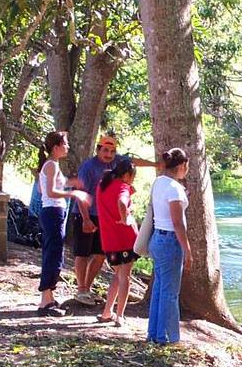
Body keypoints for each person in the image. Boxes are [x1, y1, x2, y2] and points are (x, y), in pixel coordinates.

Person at [71, 135, 155, 306]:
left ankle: (87, 288)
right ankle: (81, 290)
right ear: (98, 150)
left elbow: (133, 161)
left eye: (112, 151)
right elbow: (80, 195)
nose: (109, 154)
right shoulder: (88, 167)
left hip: (103, 218)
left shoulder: (117, 162)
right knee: (82, 253)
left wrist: (156, 165)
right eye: (105, 150)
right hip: (84, 214)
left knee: (100, 254)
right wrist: (86, 219)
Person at [37, 131, 90, 317]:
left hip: (53, 212)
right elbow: (50, 192)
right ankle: (45, 301)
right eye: (65, 144)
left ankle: (49, 297)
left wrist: (69, 183)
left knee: (55, 252)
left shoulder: (51, 165)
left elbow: (42, 187)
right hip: (52, 212)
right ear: (56, 147)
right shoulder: (50, 165)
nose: (67, 147)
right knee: (52, 253)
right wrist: (73, 194)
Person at [147, 148, 191, 344]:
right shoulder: (174, 188)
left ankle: (154, 334)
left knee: (159, 288)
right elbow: (177, 222)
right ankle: (169, 337)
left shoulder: (159, 182)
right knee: (170, 292)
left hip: (157, 238)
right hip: (170, 241)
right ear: (182, 166)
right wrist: (187, 249)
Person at [95, 159, 139, 327]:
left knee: (118, 274)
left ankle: (107, 312)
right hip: (124, 238)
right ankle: (120, 315)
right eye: (132, 177)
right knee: (125, 276)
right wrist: (125, 218)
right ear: (127, 175)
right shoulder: (123, 187)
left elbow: (110, 200)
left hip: (108, 239)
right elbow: (120, 201)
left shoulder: (102, 184)